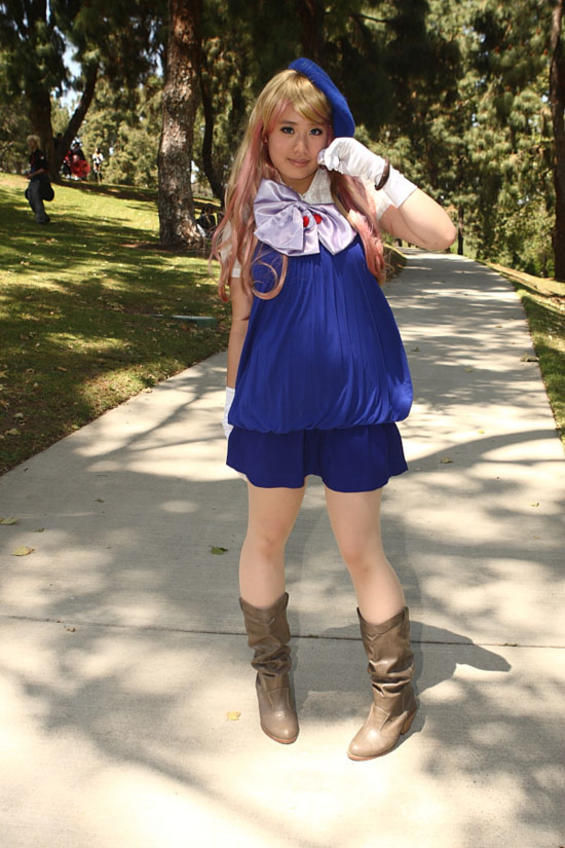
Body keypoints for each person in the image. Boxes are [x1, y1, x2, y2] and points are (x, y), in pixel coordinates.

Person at [212, 59, 456, 760]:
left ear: (332, 136)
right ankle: (272, 682)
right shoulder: (248, 215)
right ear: (263, 135)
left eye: (315, 130)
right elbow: (242, 321)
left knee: (360, 548)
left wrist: (376, 170)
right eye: (286, 129)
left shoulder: (356, 199)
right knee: (264, 540)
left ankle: (394, 698)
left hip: (354, 406)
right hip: (274, 406)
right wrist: (232, 400)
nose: (301, 144)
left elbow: (441, 233)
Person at [24, 135, 51, 224]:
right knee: (30, 196)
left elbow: (43, 168)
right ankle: (43, 216)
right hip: (33, 179)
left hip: (39, 179)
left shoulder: (40, 154)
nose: (29, 144)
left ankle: (41, 219)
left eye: (31, 142)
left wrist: (33, 174)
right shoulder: (32, 155)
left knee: (36, 198)